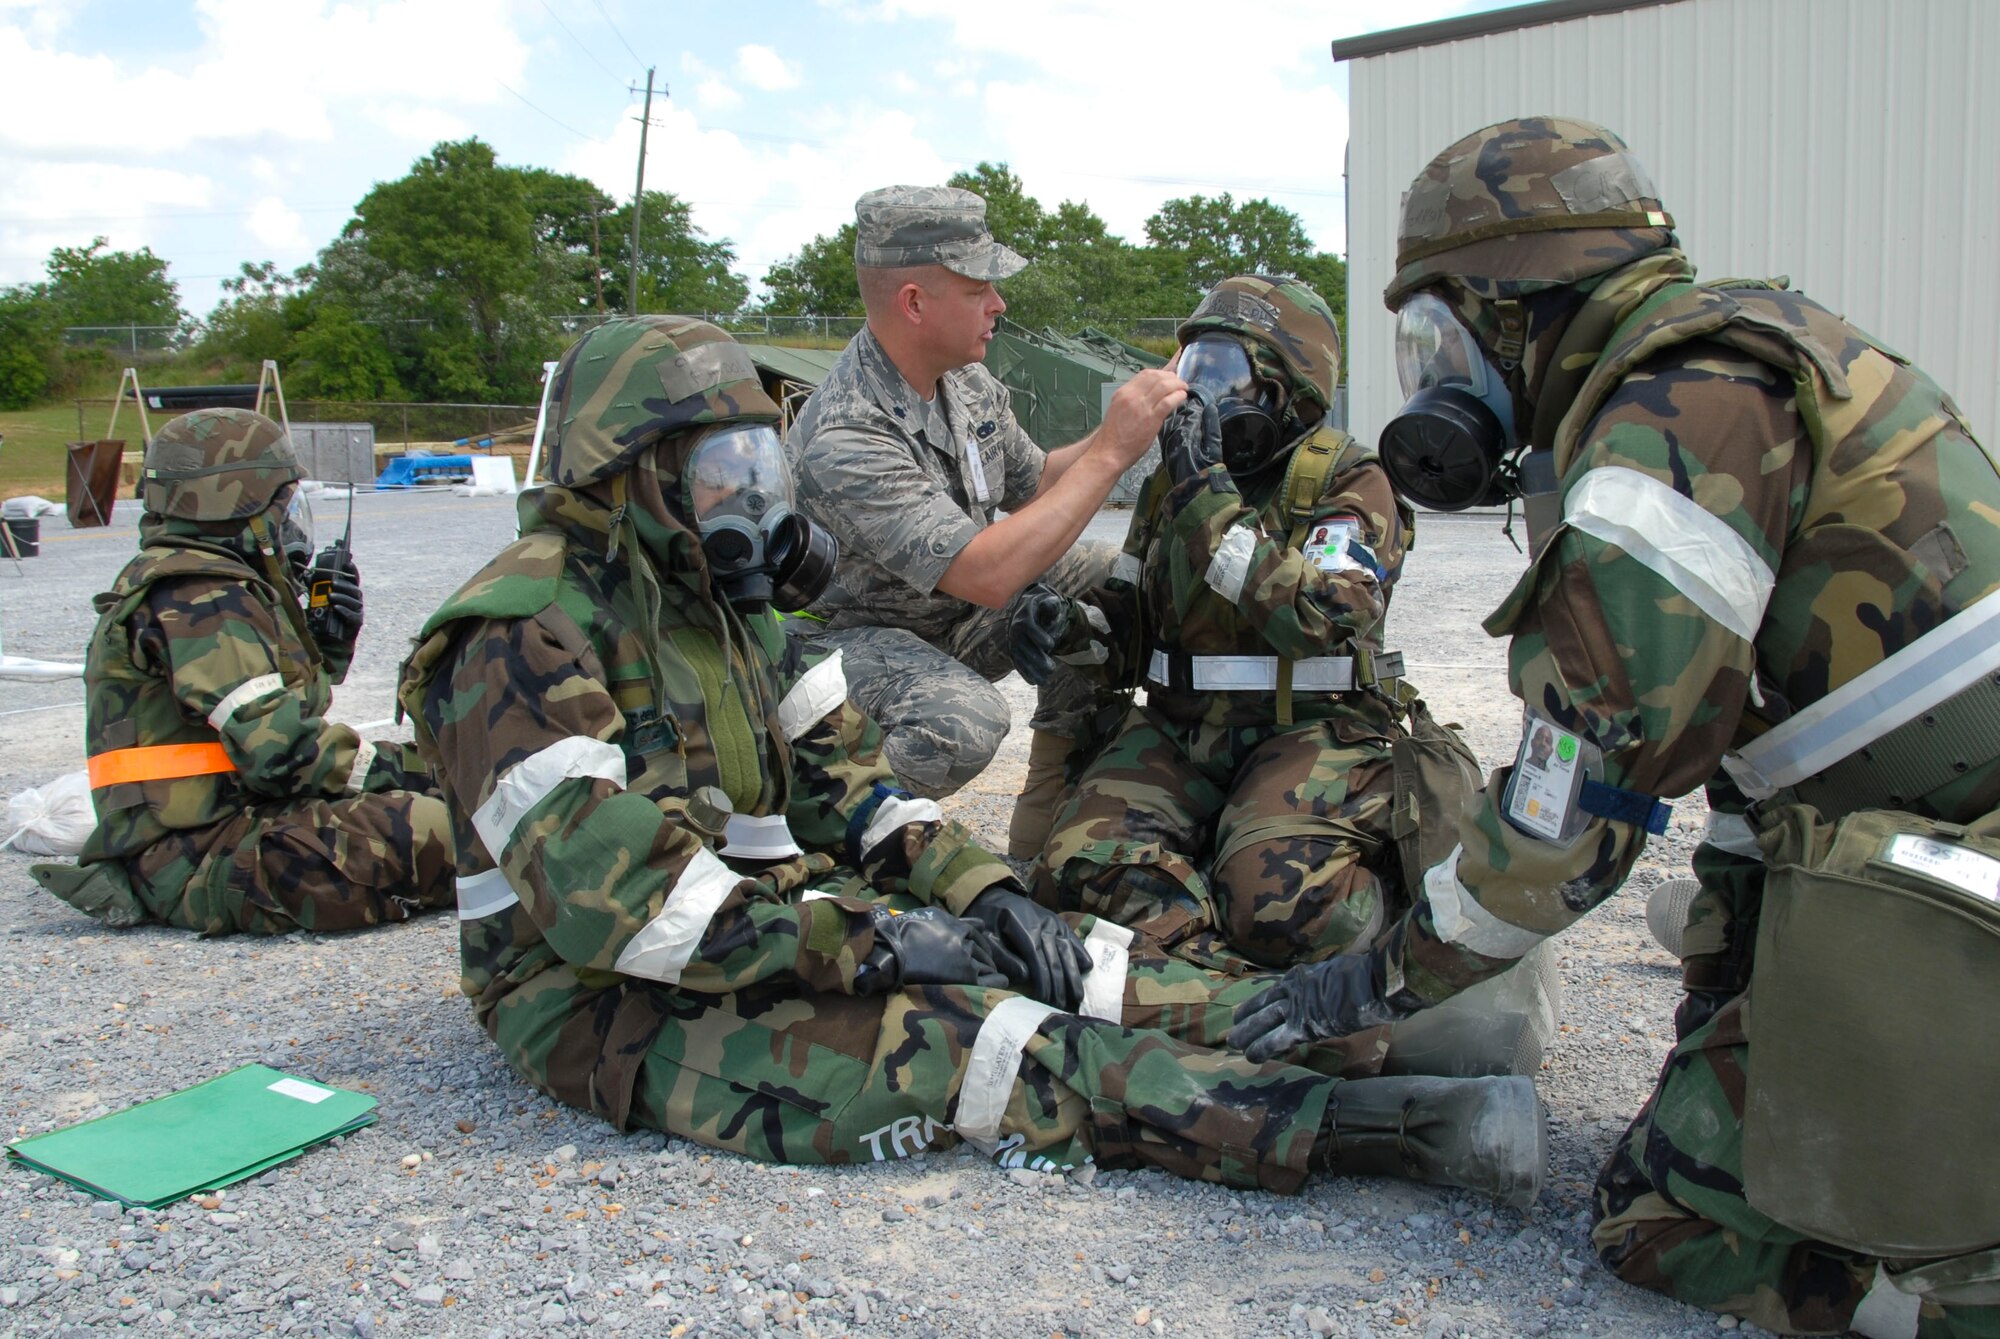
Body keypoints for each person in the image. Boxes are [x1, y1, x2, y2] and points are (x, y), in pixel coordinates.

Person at [398, 314, 1547, 1204]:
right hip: (597, 996)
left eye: (760, 467)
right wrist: (885, 941)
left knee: (1065, 959)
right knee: (970, 1037)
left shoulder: (724, 609)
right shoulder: (519, 634)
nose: (752, 500)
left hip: (761, 921)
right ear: (632, 476)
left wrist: (985, 897)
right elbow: (627, 912)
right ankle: (1366, 1130)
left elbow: (859, 796)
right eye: (722, 472)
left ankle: (1354, 1034)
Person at [1229, 117, 2000, 1337]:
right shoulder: (1740, 352)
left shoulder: (1660, 425)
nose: (1436, 374)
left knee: (1658, 1221)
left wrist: (1370, 983)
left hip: (1956, 882)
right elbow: (1754, 771)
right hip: (1929, 840)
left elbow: (1568, 819)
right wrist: (1723, 998)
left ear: (1508, 305)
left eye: (1436, 333)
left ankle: (1951, 1291)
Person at [1025, 275, 1421, 971]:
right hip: (1182, 729)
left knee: (1280, 906)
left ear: (1287, 392)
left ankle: (1380, 928)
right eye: (1193, 368)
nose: (1198, 392)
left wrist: (1207, 498)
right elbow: (1128, 631)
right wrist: (1071, 629)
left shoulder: (1348, 478)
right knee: (1078, 872)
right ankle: (1219, 986)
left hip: (1309, 726)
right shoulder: (1168, 485)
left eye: (1224, 371)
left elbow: (1323, 616)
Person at [786, 185, 1188, 860]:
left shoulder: (963, 383)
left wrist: (1125, 424)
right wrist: (1115, 451)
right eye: (979, 288)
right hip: (847, 649)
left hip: (943, 620)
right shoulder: (847, 432)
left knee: (1111, 580)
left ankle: (1047, 814)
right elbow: (991, 573)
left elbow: (1037, 489)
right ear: (914, 302)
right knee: (965, 719)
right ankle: (827, 840)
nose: (999, 305)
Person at [32, 407, 455, 935]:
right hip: (194, 857)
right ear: (235, 503)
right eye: (280, 503)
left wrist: (324, 646)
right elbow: (284, 754)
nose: (288, 521)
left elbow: (267, 720)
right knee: (445, 828)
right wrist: (432, 772)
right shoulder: (200, 599)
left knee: (448, 798)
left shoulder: (199, 582)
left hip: (213, 823)